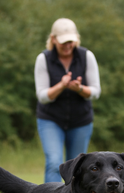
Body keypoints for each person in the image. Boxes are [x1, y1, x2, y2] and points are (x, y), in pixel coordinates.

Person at [34, 18, 101, 183]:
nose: (67, 45)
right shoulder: (43, 59)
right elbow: (42, 96)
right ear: (53, 39)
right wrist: (61, 85)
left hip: (80, 121)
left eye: (70, 41)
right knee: (54, 163)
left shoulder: (87, 56)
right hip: (51, 119)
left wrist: (79, 88)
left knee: (77, 166)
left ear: (76, 38)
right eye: (63, 42)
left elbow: (95, 91)